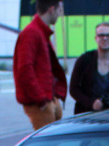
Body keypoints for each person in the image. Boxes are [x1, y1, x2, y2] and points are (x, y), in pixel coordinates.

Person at [13, 0, 68, 130]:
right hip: (41, 102)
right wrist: (41, 99)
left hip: (47, 99)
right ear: (51, 9)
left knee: (52, 144)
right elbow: (24, 70)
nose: (60, 15)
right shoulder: (32, 33)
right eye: (59, 10)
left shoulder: (41, 33)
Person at [68, 22, 109, 114]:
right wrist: (91, 103)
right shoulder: (84, 60)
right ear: (96, 38)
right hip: (86, 115)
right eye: (101, 35)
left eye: (108, 35)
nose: (105, 38)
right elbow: (73, 88)